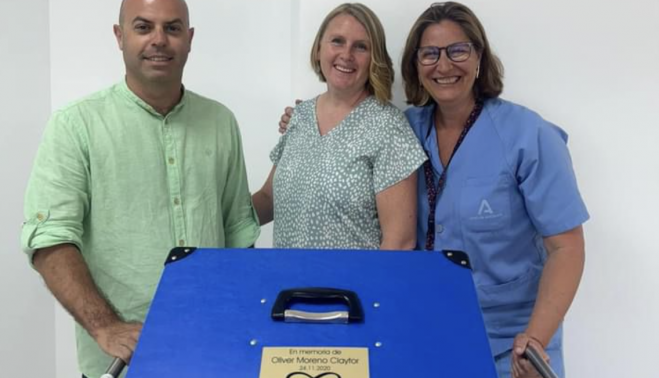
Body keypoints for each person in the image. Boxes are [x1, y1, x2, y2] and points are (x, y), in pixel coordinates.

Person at [278, 3, 588, 377]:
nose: (444, 66)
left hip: (511, 345)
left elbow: (566, 247)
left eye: (458, 50)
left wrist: (535, 339)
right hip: (426, 332)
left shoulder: (528, 135)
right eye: (430, 54)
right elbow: (351, 133)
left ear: (479, 57)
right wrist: (307, 118)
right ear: (415, 64)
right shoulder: (405, 130)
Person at [21, 0, 260, 377]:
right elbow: (50, 241)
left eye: (173, 28)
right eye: (144, 27)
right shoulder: (74, 126)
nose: (159, 40)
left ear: (190, 39)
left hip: (210, 354)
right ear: (119, 36)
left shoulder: (220, 122)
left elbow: (237, 237)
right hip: (122, 366)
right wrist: (105, 326)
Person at [252, 3, 427, 250]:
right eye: (337, 41)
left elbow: (399, 242)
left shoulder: (388, 127)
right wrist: (216, 214)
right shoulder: (299, 116)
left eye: (361, 46)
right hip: (288, 285)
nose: (347, 54)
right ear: (318, 49)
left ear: (374, 58)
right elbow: (269, 199)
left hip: (351, 287)